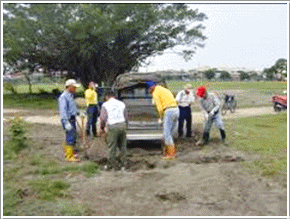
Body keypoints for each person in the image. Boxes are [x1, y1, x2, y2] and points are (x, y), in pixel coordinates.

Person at [146, 81, 179, 160]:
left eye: (148, 90)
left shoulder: (155, 92)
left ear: (151, 88)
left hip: (168, 111)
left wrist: (161, 117)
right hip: (176, 109)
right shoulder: (163, 89)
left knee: (166, 133)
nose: (149, 91)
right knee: (170, 133)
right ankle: (171, 152)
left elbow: (159, 108)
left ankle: (171, 155)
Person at [99, 91, 128, 170]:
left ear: (107, 97)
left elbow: (103, 118)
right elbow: (126, 116)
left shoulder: (105, 105)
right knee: (122, 146)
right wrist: (126, 126)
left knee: (112, 146)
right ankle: (124, 164)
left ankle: (112, 165)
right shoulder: (122, 103)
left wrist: (102, 128)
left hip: (113, 126)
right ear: (114, 96)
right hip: (122, 125)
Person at [58, 79, 81, 162]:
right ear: (69, 87)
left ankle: (71, 152)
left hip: (72, 118)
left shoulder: (70, 96)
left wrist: (78, 113)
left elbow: (71, 108)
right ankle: (69, 156)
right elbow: (63, 110)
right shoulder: (63, 97)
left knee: (73, 136)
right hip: (68, 120)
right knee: (70, 137)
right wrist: (66, 122)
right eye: (74, 87)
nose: (75, 89)